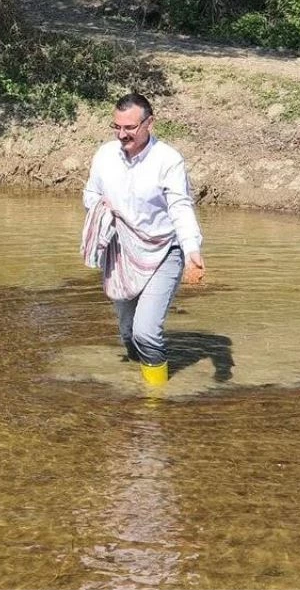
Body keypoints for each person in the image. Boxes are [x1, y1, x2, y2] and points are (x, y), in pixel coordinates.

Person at [82, 92, 204, 385]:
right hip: (121, 250)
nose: (122, 134)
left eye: (130, 128)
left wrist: (192, 250)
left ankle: (156, 397)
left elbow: (180, 206)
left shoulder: (168, 159)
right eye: (117, 127)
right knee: (128, 333)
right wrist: (102, 209)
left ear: (149, 123)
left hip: (165, 250)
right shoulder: (105, 155)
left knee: (146, 332)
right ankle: (139, 381)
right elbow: (90, 193)